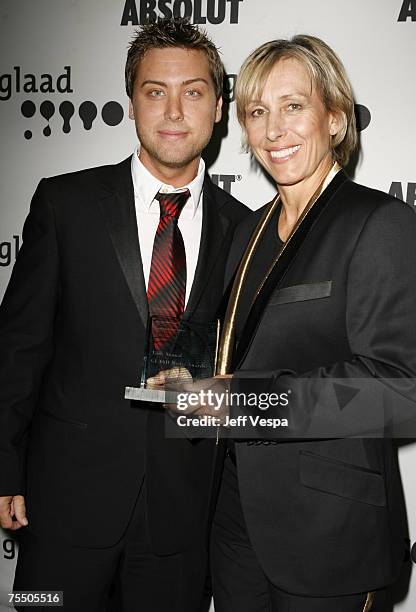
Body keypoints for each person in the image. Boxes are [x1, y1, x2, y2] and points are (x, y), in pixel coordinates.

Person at [0, 17, 248, 612]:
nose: (173, 111)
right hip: (62, 501)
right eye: (154, 92)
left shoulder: (246, 229)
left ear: (218, 107)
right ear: (131, 104)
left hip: (182, 514)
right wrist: (5, 465)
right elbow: (19, 346)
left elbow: (243, 372)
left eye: (193, 92)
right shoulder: (64, 204)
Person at [161, 35, 416, 611]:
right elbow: (245, 351)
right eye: (257, 112)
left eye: (293, 106)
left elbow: (399, 389)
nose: (274, 129)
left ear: (334, 118)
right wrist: (189, 380)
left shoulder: (380, 222)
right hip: (232, 517)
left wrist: (248, 402)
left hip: (326, 530)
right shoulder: (247, 233)